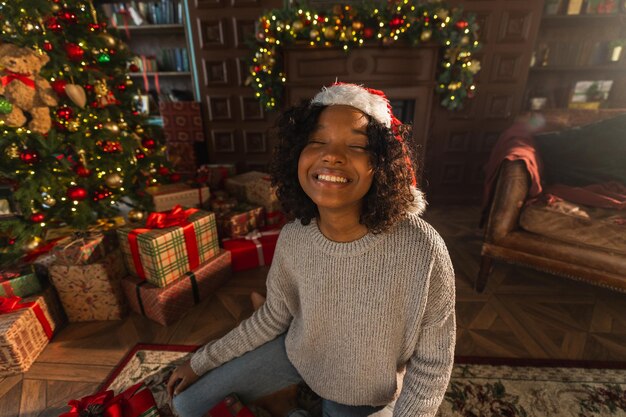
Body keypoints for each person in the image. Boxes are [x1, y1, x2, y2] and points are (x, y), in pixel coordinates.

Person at [167, 82, 456, 417]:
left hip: (363, 394)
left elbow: (432, 363)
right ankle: (291, 399)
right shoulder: (293, 238)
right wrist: (200, 362)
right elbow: (273, 317)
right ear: (297, 155)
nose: (332, 155)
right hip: (298, 357)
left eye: (357, 146)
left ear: (381, 165)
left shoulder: (422, 248)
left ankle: (291, 407)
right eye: (317, 141)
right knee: (186, 406)